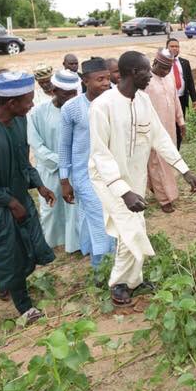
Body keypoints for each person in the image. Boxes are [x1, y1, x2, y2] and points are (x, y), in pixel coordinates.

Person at [88, 51, 196, 306]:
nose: (150, 74)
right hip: (108, 179)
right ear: (132, 73)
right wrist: (122, 190)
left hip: (135, 176)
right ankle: (118, 284)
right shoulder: (102, 106)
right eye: (146, 70)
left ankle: (133, 281)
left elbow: (160, 137)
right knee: (131, 228)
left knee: (135, 226)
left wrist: (184, 170)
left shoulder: (142, 101)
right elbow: (100, 154)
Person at [0, 71, 56, 323]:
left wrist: (40, 185)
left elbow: (22, 162)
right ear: (11, 103)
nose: (32, 105)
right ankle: (25, 307)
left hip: (19, 199)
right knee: (9, 253)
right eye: (28, 100)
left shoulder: (19, 122)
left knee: (30, 246)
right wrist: (11, 203)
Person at [59, 57, 115, 267]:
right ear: (85, 81)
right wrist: (64, 179)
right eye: (100, 79)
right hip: (85, 175)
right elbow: (64, 146)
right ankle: (101, 266)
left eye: (108, 78)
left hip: (112, 172)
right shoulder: (72, 108)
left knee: (111, 217)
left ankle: (113, 260)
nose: (105, 83)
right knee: (99, 218)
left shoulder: (114, 101)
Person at [27, 69, 81, 253]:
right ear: (55, 90)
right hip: (49, 170)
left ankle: (74, 244)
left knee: (73, 207)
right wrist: (61, 161)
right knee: (51, 208)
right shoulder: (38, 112)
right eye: (67, 94)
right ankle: (51, 244)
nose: (71, 98)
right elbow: (36, 144)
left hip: (75, 168)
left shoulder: (79, 109)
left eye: (74, 93)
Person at [144, 49, 187, 213]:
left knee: (169, 159)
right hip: (153, 129)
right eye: (162, 68)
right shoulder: (146, 81)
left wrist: (181, 121)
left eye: (168, 68)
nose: (165, 71)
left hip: (169, 127)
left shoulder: (169, 77)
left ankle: (161, 189)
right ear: (154, 63)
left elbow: (175, 100)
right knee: (156, 162)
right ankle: (164, 199)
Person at [166, 37, 196, 149]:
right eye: (172, 46)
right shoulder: (163, 63)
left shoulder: (184, 63)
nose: (175, 48)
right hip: (168, 101)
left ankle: (177, 150)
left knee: (180, 126)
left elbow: (190, 82)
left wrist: (194, 99)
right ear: (167, 48)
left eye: (177, 46)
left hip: (181, 99)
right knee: (170, 127)